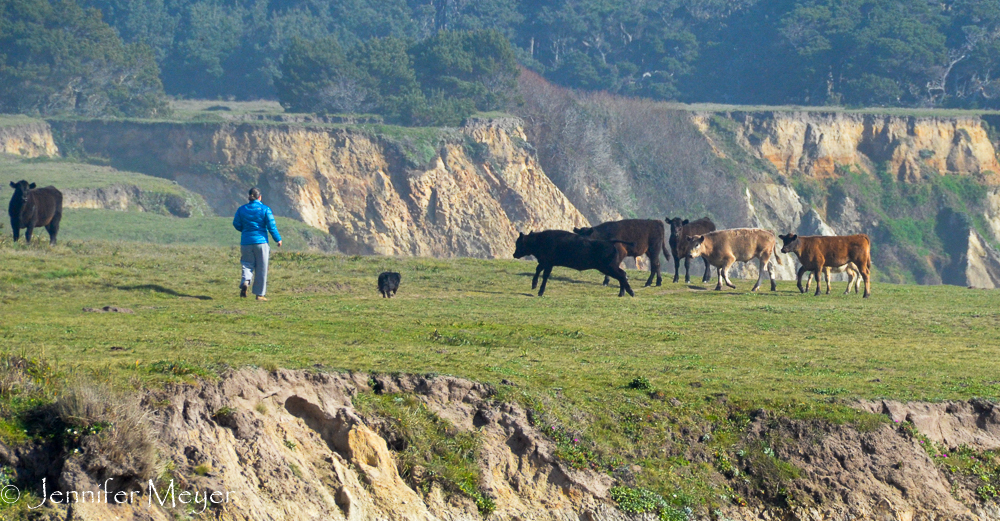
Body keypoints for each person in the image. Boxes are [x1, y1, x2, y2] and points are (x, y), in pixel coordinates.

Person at [233, 188, 281, 301]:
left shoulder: (241, 209)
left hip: (246, 241)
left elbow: (236, 223)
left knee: (247, 264)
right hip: (261, 242)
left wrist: (245, 230)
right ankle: (259, 295)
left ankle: (245, 281)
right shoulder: (265, 209)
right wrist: (277, 239)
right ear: (260, 197)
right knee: (261, 268)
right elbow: (271, 226)